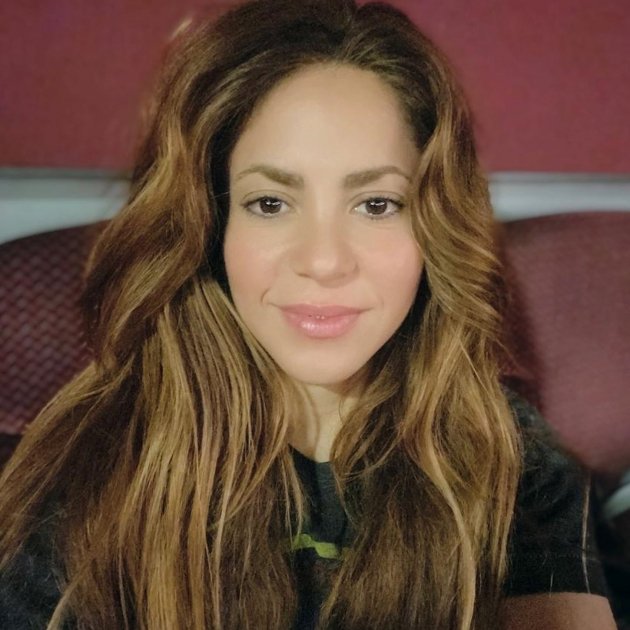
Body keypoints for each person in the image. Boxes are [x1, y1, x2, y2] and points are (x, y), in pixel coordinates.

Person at [0, 0, 617, 628]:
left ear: (435, 226)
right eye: (270, 203)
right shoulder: (88, 466)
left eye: (377, 204)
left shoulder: (509, 456)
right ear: (209, 227)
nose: (324, 262)